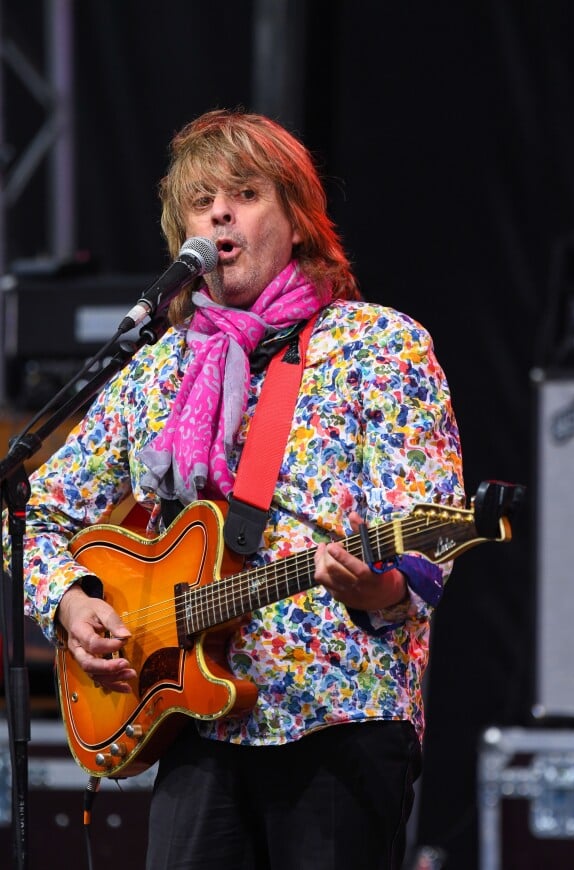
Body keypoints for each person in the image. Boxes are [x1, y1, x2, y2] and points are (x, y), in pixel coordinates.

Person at [13, 108, 463, 869]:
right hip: (198, 720)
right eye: (200, 201)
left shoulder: (381, 345)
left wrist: (377, 588)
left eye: (245, 193)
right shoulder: (157, 370)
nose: (219, 212)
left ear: (298, 220)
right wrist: (72, 599)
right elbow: (32, 511)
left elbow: (430, 539)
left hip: (338, 717)